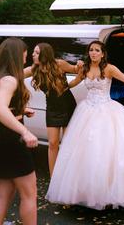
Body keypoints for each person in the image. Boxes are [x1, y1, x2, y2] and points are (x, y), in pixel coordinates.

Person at [45, 40, 124, 210]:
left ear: (103, 54)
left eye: (97, 50)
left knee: (107, 151)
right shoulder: (85, 68)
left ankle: (111, 192)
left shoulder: (109, 68)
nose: (93, 53)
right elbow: (73, 83)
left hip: (106, 110)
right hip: (86, 111)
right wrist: (59, 85)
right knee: (85, 153)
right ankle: (88, 192)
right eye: (91, 50)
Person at [0, 37, 38, 225]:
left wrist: (20, 111)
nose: (26, 58)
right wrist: (24, 131)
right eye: (24, 54)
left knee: (4, 194)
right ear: (15, 54)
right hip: (9, 140)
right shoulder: (9, 80)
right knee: (29, 194)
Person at [24, 42, 81, 176]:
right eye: (33, 52)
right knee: (53, 143)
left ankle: (68, 176)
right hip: (52, 109)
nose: (33, 55)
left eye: (37, 53)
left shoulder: (59, 64)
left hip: (68, 106)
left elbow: (75, 69)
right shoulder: (34, 69)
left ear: (45, 54)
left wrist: (79, 64)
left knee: (67, 144)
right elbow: (14, 75)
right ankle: (53, 176)